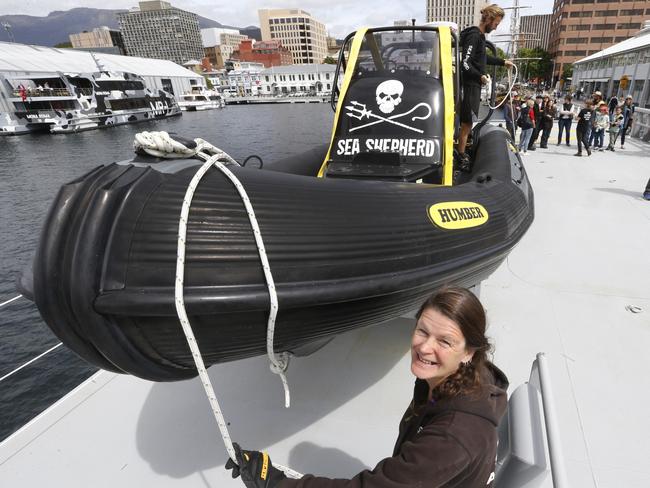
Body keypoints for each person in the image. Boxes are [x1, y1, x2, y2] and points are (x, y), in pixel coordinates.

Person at [226, 286, 508, 488]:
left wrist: (275, 482)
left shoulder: (454, 435)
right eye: (422, 330)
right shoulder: (457, 381)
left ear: (470, 351)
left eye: (444, 341)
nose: (424, 347)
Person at [457, 4, 513, 168]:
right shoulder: (474, 36)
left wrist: (503, 62)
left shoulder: (480, 38)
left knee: (469, 121)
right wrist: (480, 76)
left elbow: (482, 58)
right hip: (470, 85)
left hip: (474, 85)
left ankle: (462, 151)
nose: (495, 28)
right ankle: (461, 155)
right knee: (467, 122)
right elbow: (465, 63)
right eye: (495, 24)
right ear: (488, 19)